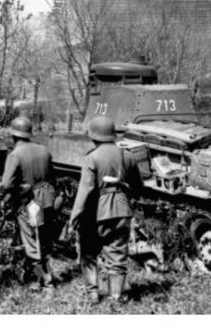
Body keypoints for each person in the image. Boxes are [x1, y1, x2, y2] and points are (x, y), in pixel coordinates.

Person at [69, 115, 143, 304]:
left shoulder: (91, 158)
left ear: (94, 136)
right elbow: (139, 187)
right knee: (117, 254)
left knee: (88, 252)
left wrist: (75, 217)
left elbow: (85, 190)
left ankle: (93, 294)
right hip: (122, 210)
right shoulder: (128, 156)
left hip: (96, 211)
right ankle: (116, 297)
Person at [1, 116, 57, 292]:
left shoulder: (15, 155)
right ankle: (41, 278)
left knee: (32, 244)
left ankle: (45, 284)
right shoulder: (43, 150)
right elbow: (52, 177)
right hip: (47, 200)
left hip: (29, 203)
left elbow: (6, 184)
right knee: (44, 240)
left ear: (14, 136)